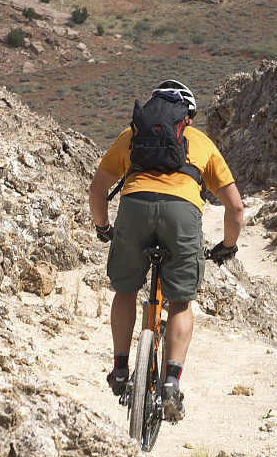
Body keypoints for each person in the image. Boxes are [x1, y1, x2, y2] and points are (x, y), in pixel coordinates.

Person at [89, 79, 243, 421]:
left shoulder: (131, 136)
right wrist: (227, 246)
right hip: (181, 216)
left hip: (134, 208)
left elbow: (97, 191)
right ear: (187, 116)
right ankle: (171, 381)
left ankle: (119, 368)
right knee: (180, 301)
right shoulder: (201, 142)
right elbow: (236, 208)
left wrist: (104, 229)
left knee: (125, 290)